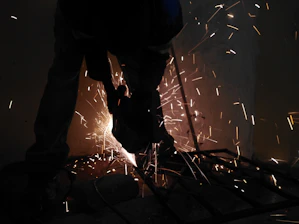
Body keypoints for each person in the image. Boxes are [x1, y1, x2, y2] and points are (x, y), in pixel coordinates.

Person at [19, 0, 183, 222]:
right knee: (63, 80)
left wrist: (142, 96)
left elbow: (154, 62)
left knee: (142, 79)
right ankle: (42, 172)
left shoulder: (166, 15)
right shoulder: (80, 11)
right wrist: (108, 88)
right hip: (82, 15)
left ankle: (156, 153)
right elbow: (90, 48)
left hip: (130, 19)